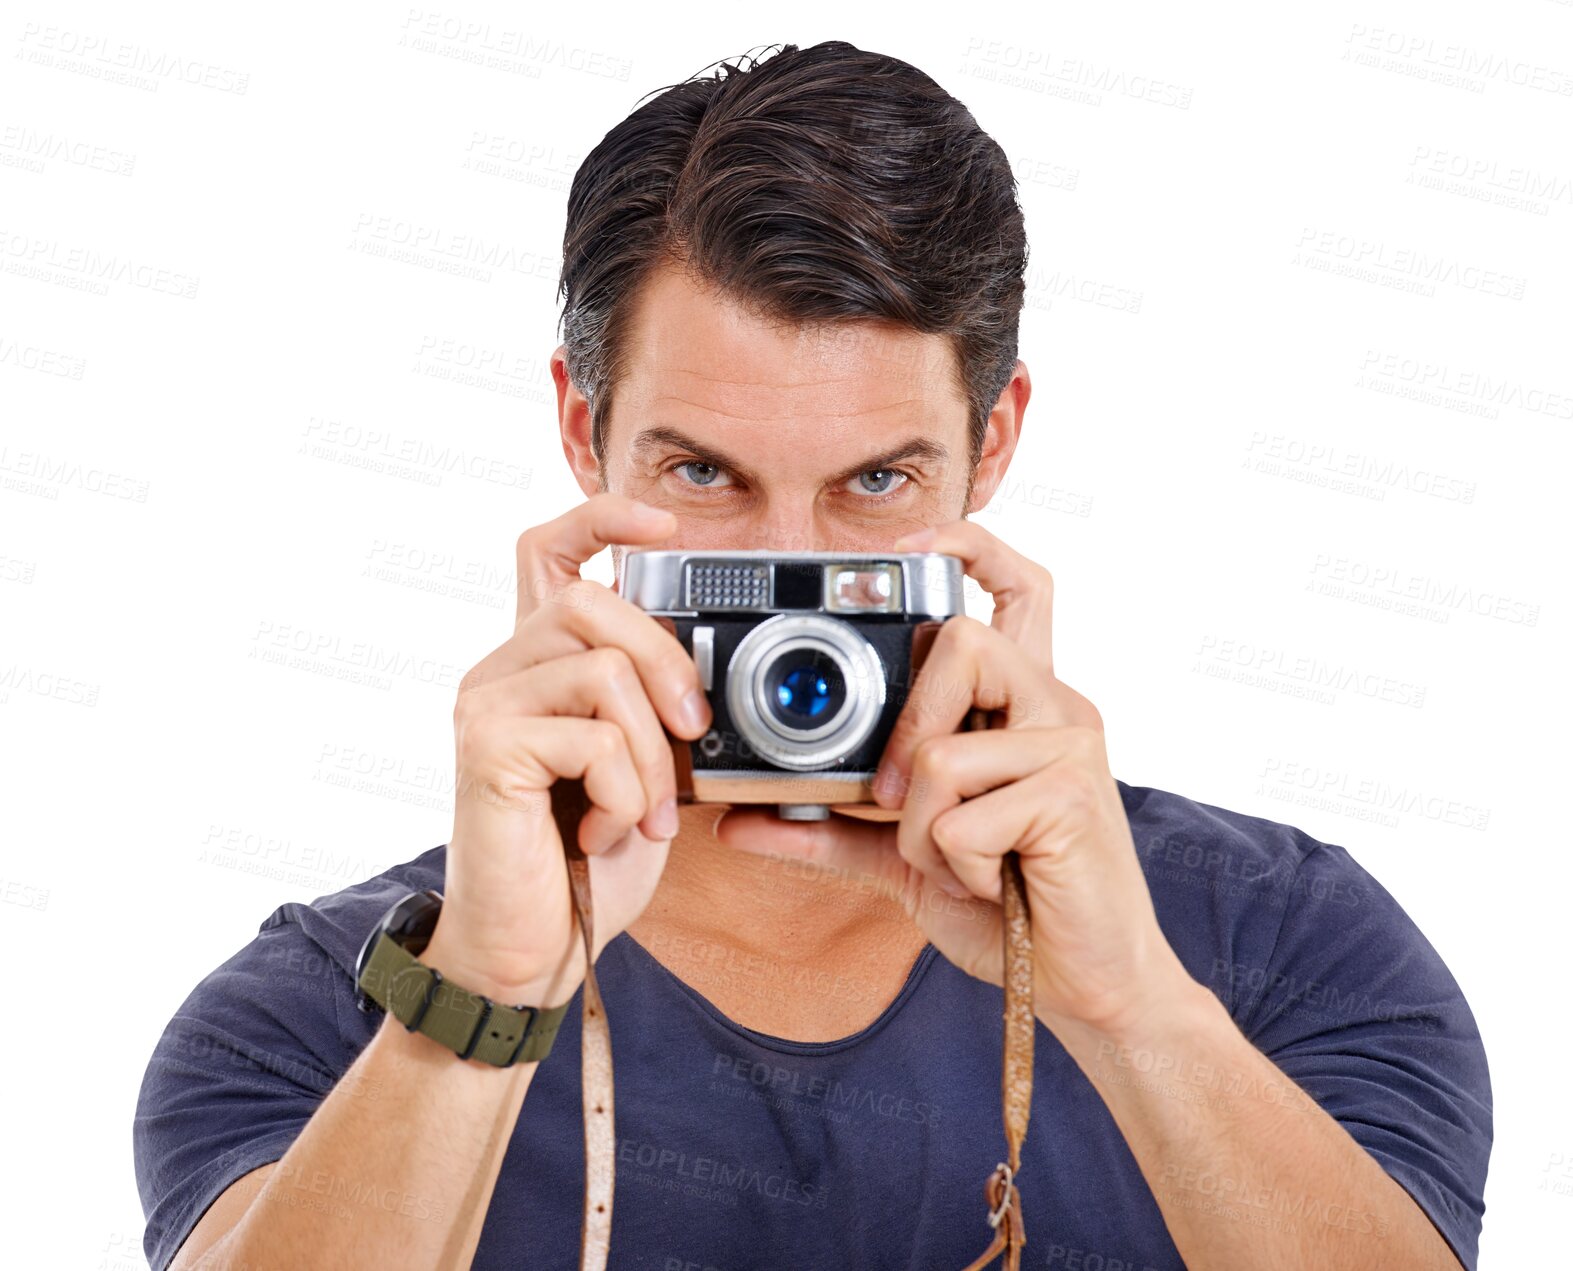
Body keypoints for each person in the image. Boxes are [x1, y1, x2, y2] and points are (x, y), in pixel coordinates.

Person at [133, 40, 1491, 1271]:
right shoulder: (328, 1011)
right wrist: (485, 990)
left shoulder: (1279, 948)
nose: (790, 581)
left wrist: (1122, 1001)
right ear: (580, 427)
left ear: (993, 443)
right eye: (706, 476)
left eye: (875, 485)